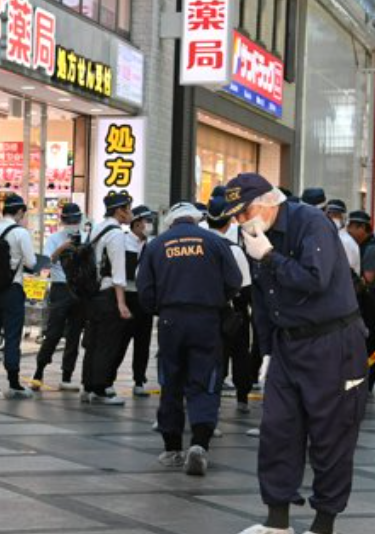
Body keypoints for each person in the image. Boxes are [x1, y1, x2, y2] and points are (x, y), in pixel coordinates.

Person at [223, 173, 368, 534]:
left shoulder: (311, 222)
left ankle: (323, 525)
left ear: (270, 200)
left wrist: (269, 256)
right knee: (278, 431)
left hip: (333, 342)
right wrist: (269, 351)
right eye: (236, 216)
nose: (242, 221)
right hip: (288, 344)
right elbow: (262, 296)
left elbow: (314, 280)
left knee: (331, 435)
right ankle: (277, 523)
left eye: (246, 211)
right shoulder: (254, 236)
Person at [137, 202, 242, 476]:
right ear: (198, 220)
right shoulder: (215, 242)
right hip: (207, 319)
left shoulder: (157, 245)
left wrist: (161, 308)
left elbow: (144, 290)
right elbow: (235, 280)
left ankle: (172, 447)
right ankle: (200, 444)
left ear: (171, 222)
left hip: (171, 320)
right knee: (204, 381)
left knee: (170, 380)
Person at [0, 193, 37, 399]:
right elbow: (31, 263)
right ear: (20, 211)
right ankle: (14, 383)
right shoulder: (20, 233)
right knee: (12, 335)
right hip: (12, 289)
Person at [81, 191, 134, 405]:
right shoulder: (116, 234)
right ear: (120, 211)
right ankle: (100, 390)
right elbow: (118, 273)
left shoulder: (96, 227)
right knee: (107, 342)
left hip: (92, 294)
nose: (130, 213)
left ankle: (88, 387)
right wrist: (121, 303)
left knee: (93, 341)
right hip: (107, 293)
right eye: (128, 209)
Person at [31, 203, 87, 392]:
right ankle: (39, 371)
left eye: (76, 220)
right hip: (60, 287)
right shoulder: (54, 238)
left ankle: (67, 376)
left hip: (79, 289)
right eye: (69, 220)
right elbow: (47, 262)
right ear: (63, 220)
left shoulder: (86, 237)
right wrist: (63, 247)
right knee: (53, 333)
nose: (73, 224)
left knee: (74, 335)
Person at [206, 194, 254, 414]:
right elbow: (245, 288)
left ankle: (209, 402)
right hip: (232, 312)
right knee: (240, 355)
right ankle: (242, 397)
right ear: (229, 221)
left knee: (213, 360)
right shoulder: (234, 250)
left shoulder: (199, 245)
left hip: (204, 312)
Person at [113, 204, 155, 397]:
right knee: (120, 340)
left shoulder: (151, 244)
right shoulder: (122, 241)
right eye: (147, 221)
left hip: (144, 297)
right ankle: (109, 378)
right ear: (137, 223)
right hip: (127, 295)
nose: (150, 225)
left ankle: (139, 380)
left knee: (143, 341)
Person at [347, 210, 375, 393]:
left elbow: (368, 277)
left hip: (371, 304)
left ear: (362, 227)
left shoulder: (370, 248)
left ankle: (365, 381)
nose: (348, 230)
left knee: (369, 343)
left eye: (352, 226)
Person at [325, 200, 361, 278]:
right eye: (330, 214)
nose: (332, 218)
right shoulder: (325, 236)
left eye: (336, 215)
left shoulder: (348, 242)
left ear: (343, 217)